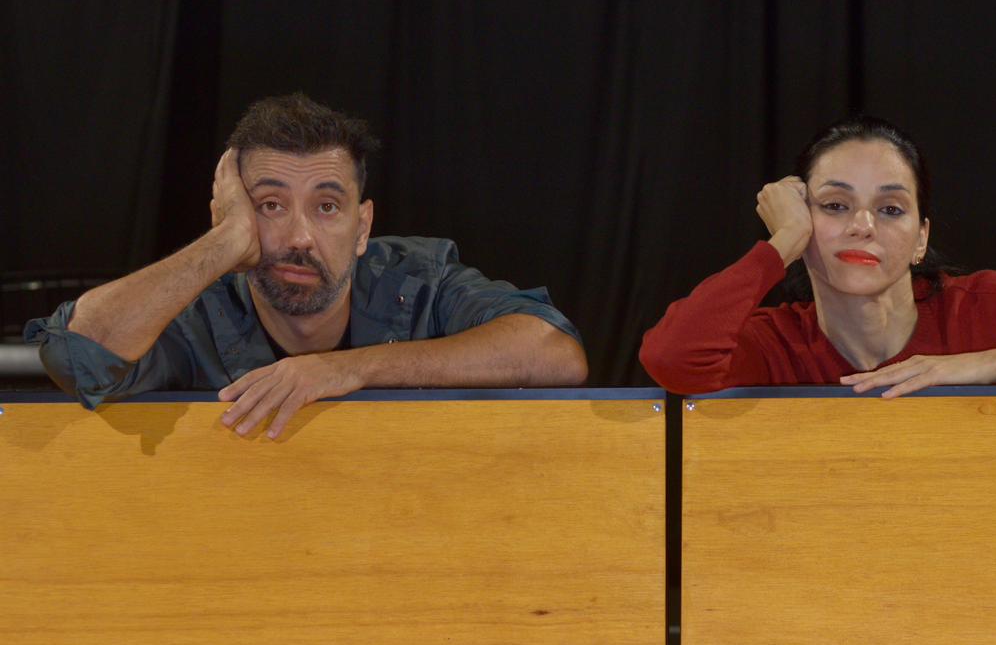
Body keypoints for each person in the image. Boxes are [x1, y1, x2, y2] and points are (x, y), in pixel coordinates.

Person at [27, 93, 588, 436]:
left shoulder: (419, 277)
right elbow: (78, 357)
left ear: (362, 227)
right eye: (270, 206)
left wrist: (349, 370)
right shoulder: (199, 305)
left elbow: (553, 352)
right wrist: (222, 244)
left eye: (327, 208)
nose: (299, 237)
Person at [639, 115, 996, 396]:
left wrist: (986, 363)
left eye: (890, 209)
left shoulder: (988, 306)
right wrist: (780, 245)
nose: (862, 226)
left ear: (920, 238)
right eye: (835, 206)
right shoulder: (774, 342)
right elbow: (673, 357)